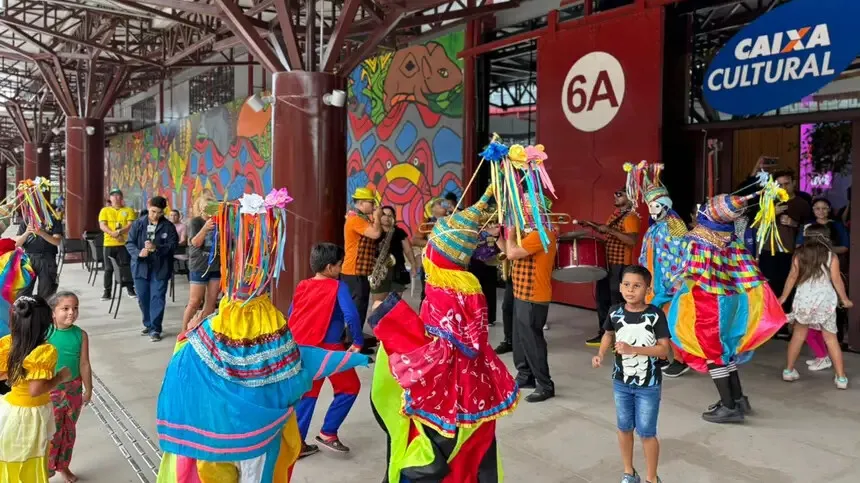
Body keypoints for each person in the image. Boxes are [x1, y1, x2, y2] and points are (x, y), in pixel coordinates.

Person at [155, 192, 369, 482]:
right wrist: (352, 351)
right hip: (260, 440)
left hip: (210, 442)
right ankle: (321, 433)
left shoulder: (203, 335)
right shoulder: (272, 328)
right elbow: (312, 350)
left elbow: (180, 377)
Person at [368, 184, 518, 481]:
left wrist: (395, 329)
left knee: (442, 454)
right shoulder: (467, 283)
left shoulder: (444, 289)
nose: (427, 251)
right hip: (479, 380)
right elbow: (469, 341)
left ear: (439, 254)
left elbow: (440, 348)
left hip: (449, 387)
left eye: (432, 247)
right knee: (476, 454)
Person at [666, 194, 786, 423]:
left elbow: (689, 270)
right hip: (730, 301)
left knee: (713, 352)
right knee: (726, 349)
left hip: (709, 301)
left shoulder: (698, 239)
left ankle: (730, 407)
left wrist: (675, 282)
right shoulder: (731, 239)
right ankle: (737, 398)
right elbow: (749, 272)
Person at [593, 265, 669, 483]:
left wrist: (634, 349)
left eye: (637, 286)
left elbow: (664, 350)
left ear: (648, 288)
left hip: (649, 385)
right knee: (624, 428)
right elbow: (608, 334)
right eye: (626, 285)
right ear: (620, 287)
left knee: (647, 432)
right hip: (621, 382)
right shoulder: (615, 311)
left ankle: (652, 478)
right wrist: (600, 353)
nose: (630, 290)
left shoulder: (655, 315)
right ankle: (629, 472)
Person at [290, 243, 364, 457]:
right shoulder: (337, 286)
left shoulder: (302, 285)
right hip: (329, 349)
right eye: (340, 265)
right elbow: (351, 315)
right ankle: (328, 433)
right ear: (331, 267)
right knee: (350, 388)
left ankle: (296, 446)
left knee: (308, 395)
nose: (341, 269)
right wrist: (357, 341)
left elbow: (292, 312)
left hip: (303, 348)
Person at [623, 162, 688, 378]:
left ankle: (680, 359)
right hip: (652, 283)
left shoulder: (675, 226)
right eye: (650, 206)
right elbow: (645, 253)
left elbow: (683, 254)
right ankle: (660, 358)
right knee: (654, 323)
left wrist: (676, 281)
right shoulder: (652, 228)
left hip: (669, 285)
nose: (653, 210)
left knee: (672, 322)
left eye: (656, 206)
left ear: (666, 205)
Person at [0, 295, 73, 482]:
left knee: (12, 459)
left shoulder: (8, 343)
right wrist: (60, 377)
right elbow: (35, 390)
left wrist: (17, 372)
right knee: (29, 461)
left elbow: (2, 374)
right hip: (29, 415)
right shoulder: (43, 351)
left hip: (10, 410)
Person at [779, 225, 851, 389]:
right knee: (831, 339)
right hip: (825, 301)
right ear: (826, 237)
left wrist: (783, 297)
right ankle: (841, 378)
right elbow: (836, 281)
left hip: (804, 300)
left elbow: (792, 277)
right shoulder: (831, 256)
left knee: (798, 336)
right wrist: (845, 299)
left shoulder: (799, 254)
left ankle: (789, 371)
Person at [499, 208, 558, 403]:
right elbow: (508, 251)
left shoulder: (542, 233)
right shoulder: (528, 234)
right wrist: (497, 237)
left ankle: (545, 384)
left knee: (533, 341)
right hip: (521, 293)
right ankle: (525, 375)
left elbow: (513, 252)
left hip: (534, 295)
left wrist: (510, 233)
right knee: (520, 338)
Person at [796, 200, 849, 369]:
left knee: (830, 311)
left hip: (829, 270)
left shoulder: (836, 226)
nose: (821, 211)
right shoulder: (807, 226)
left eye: (824, 208)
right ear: (813, 210)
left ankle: (828, 350)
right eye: (817, 208)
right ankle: (822, 355)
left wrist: (823, 253)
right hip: (810, 272)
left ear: (829, 209)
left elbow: (845, 247)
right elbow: (799, 246)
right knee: (813, 319)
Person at [47, 291, 91, 482]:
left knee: (68, 431)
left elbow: (84, 364)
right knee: (50, 432)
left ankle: (64, 466)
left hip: (73, 389)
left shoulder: (81, 335)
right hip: (51, 390)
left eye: (75, 308)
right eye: (65, 309)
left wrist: (88, 389)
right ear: (53, 313)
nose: (71, 312)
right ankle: (45, 470)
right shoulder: (45, 334)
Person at [590, 188, 641, 346]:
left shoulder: (631, 217)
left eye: (620, 194)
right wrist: (592, 225)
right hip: (608, 263)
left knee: (616, 302)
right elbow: (608, 231)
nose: (615, 195)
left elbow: (632, 241)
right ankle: (604, 334)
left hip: (620, 265)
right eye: (615, 193)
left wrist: (610, 230)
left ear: (630, 197)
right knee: (602, 299)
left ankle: (621, 339)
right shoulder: (616, 214)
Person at [126, 196, 178, 342]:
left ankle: (155, 329)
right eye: (153, 211)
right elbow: (129, 243)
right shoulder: (138, 224)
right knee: (143, 298)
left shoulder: (168, 226)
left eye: (159, 212)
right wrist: (138, 253)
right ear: (148, 206)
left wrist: (157, 248)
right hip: (140, 266)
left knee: (157, 298)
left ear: (163, 212)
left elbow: (173, 245)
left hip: (160, 267)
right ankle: (148, 324)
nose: (155, 215)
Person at [758, 169, 811, 313]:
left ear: (794, 183)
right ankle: (771, 324)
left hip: (791, 251)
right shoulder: (768, 201)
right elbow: (755, 226)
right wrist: (771, 214)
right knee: (769, 287)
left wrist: (794, 223)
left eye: (786, 184)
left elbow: (811, 228)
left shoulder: (803, 204)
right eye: (779, 185)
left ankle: (787, 322)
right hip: (768, 250)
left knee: (789, 285)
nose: (783, 188)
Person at [341, 187, 382, 334]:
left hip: (358, 271)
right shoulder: (356, 220)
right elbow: (376, 233)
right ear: (361, 203)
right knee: (358, 308)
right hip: (354, 270)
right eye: (371, 203)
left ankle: (355, 338)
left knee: (360, 307)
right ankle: (354, 340)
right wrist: (377, 216)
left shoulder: (359, 218)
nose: (373, 206)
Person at [181, 194, 221, 332]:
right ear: (200, 208)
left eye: (212, 208)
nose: (209, 212)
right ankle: (183, 333)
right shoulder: (195, 222)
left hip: (216, 266)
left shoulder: (219, 222)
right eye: (206, 208)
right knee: (195, 301)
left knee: (211, 302)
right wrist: (205, 228)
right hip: (199, 266)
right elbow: (195, 243)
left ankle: (203, 333)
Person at [370, 206, 417, 304]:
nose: (386, 218)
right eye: (384, 215)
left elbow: (408, 250)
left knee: (394, 305)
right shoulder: (373, 232)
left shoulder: (399, 232)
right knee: (378, 304)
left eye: (389, 215)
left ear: (394, 218)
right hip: (379, 271)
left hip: (398, 270)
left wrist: (413, 264)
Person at [98, 189, 138, 301]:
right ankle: (107, 292)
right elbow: (102, 225)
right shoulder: (105, 210)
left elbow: (130, 225)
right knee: (108, 268)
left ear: (121, 198)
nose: (116, 198)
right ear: (110, 198)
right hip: (109, 243)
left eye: (118, 195)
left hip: (124, 244)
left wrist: (119, 232)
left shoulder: (128, 210)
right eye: (113, 196)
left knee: (126, 266)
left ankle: (130, 289)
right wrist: (113, 234)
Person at [16, 214, 63, 299]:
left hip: (47, 258)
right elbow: (17, 244)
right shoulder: (26, 221)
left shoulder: (53, 219)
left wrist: (41, 233)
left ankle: (43, 311)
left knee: (47, 293)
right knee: (23, 293)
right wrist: (27, 233)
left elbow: (57, 241)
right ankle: (26, 311)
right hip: (28, 258)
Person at [412, 198, 449, 301]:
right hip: (430, 263)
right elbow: (415, 240)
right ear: (432, 208)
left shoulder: (452, 220)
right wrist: (434, 244)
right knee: (427, 294)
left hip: (448, 264)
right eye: (440, 203)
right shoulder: (426, 222)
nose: (444, 205)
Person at [469, 217, 501, 326]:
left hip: (491, 259)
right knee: (474, 291)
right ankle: (474, 316)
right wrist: (486, 232)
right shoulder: (470, 224)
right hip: (474, 260)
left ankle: (489, 318)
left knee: (490, 290)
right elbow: (470, 238)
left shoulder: (493, 223)